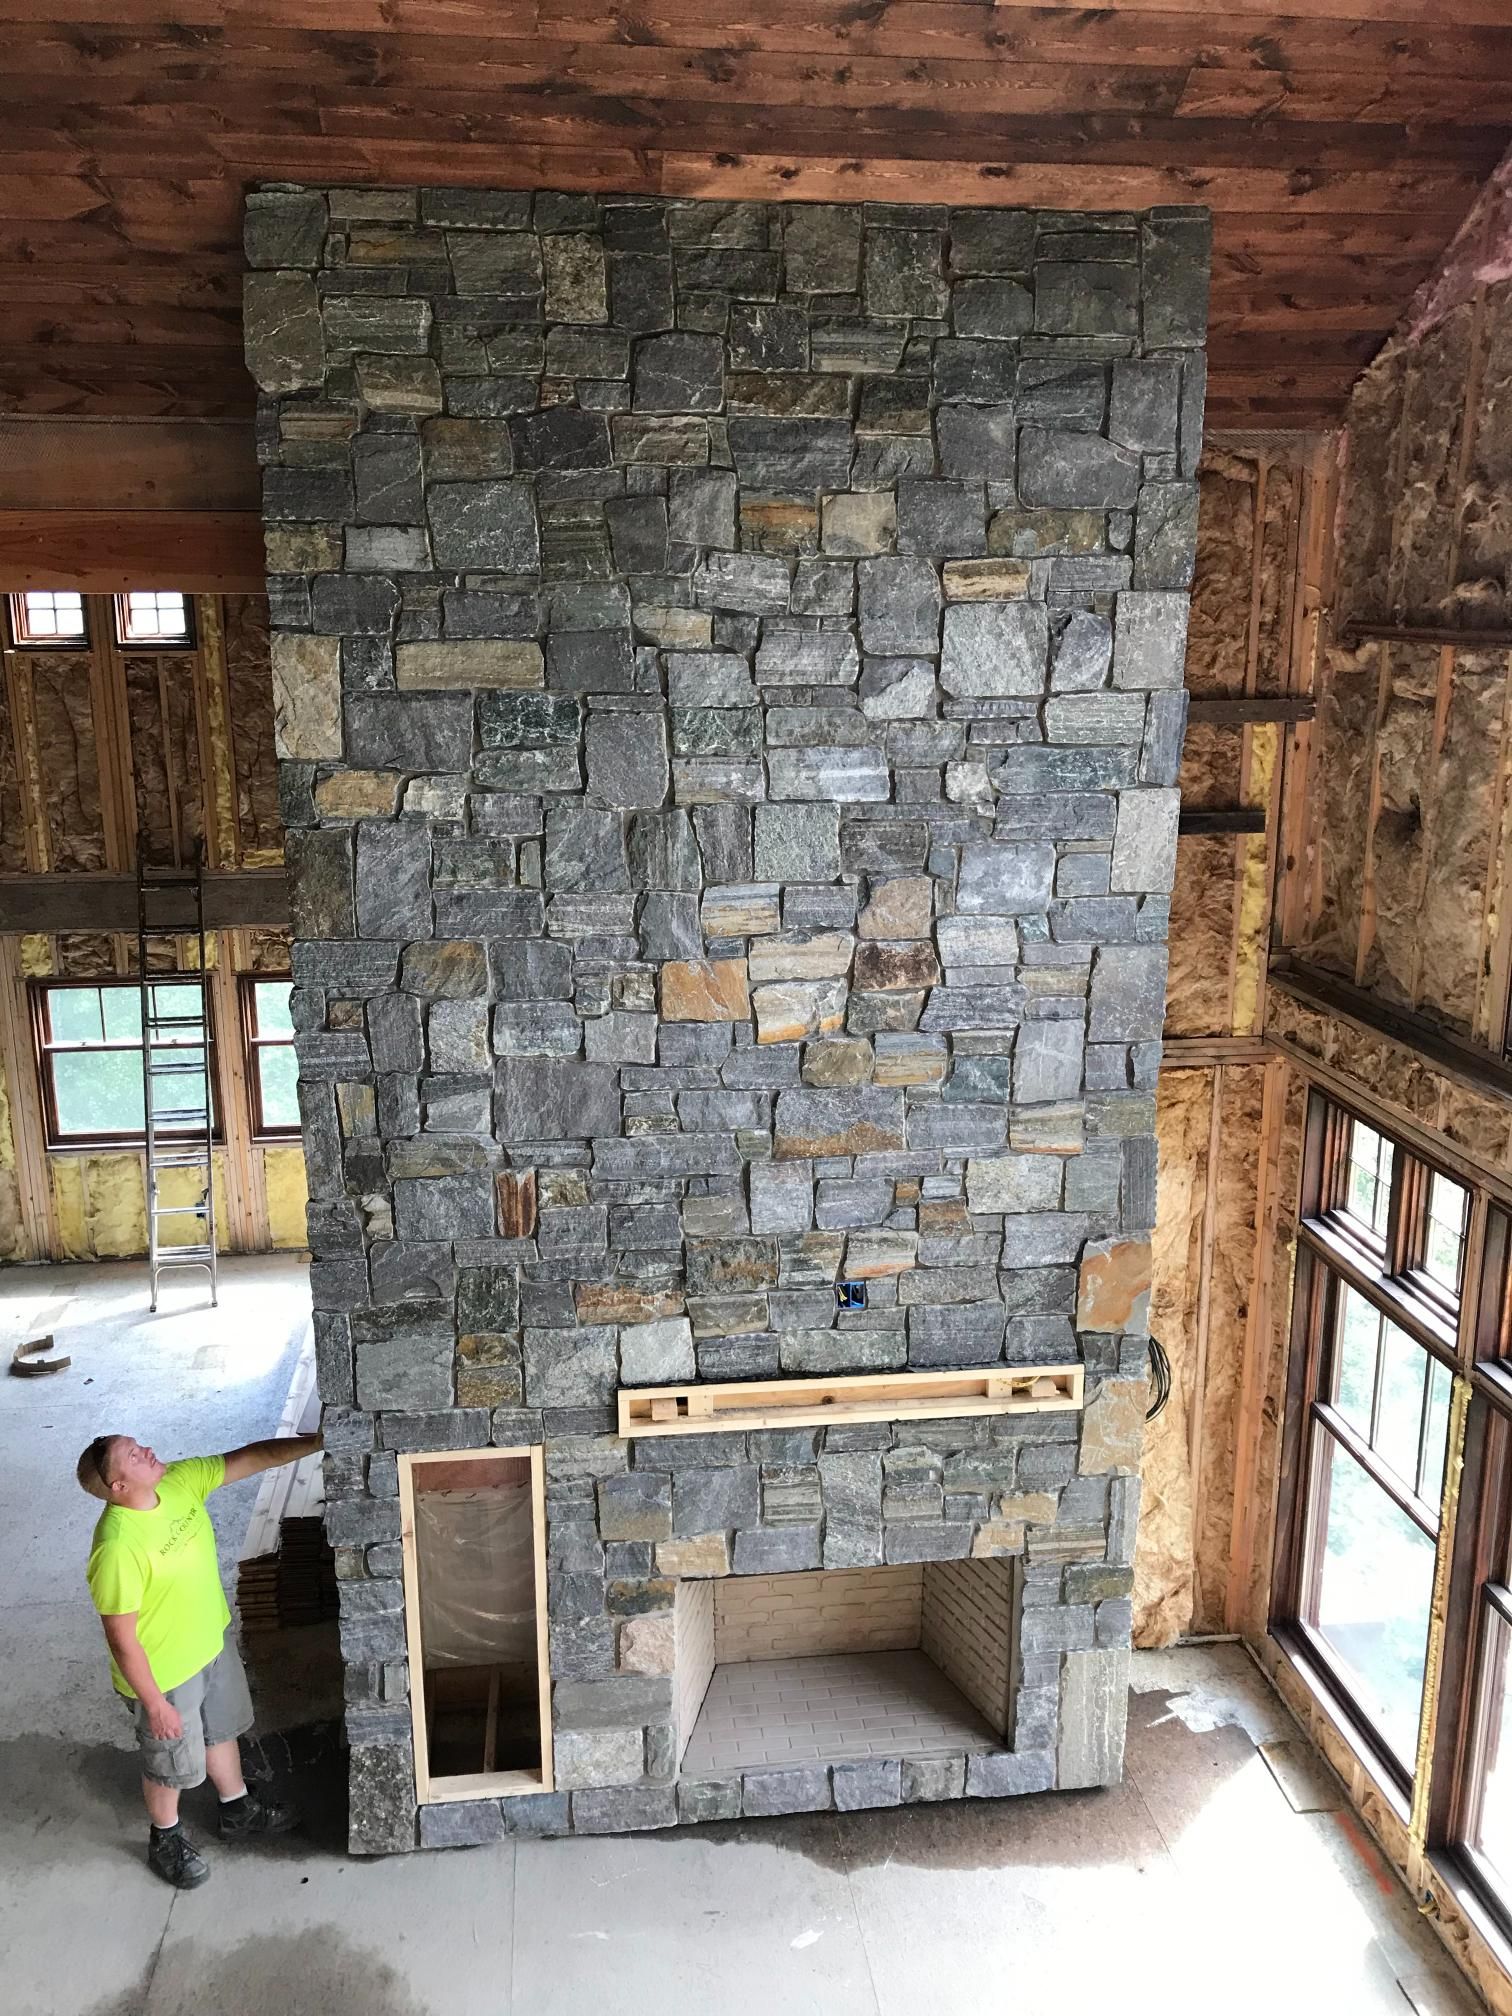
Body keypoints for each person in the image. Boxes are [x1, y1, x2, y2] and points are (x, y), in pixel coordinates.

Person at [78, 1427, 322, 1889]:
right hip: (165, 1675)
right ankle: (164, 1837)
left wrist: (316, 1441)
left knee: (219, 1732)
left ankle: (237, 1808)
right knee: (168, 1763)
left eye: (139, 1444)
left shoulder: (178, 1481)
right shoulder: (116, 1547)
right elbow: (122, 1639)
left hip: (211, 1642)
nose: (147, 1450)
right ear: (118, 1486)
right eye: (134, 1454)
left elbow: (253, 1457)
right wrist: (155, 1704)